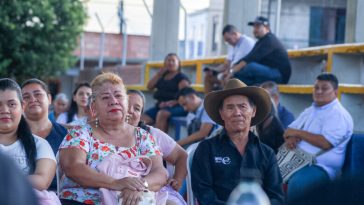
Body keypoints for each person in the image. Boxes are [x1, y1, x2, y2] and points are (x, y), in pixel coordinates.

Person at [58, 73, 167, 205]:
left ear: (126, 103)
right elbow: (73, 167)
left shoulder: (142, 136)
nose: (113, 101)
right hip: (83, 200)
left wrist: (140, 186)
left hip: (132, 199)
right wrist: (116, 183)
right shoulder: (80, 133)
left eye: (118, 95)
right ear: (93, 107)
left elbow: (160, 172)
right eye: (105, 97)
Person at [191, 78, 284, 205]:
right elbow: (204, 195)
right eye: (230, 107)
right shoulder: (206, 149)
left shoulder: (267, 153)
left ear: (253, 111)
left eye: (242, 106)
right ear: (222, 113)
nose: (237, 113)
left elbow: (276, 197)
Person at [284, 73, 353, 202]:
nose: (319, 91)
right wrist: (290, 139)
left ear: (336, 92)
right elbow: (288, 131)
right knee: (264, 173)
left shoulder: (338, 114)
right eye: (316, 87)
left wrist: (298, 133)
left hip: (320, 167)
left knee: (298, 185)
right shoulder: (310, 110)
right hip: (296, 160)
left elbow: (325, 143)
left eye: (325, 88)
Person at [127, 89, 187, 205]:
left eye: (137, 109)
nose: (130, 111)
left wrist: (178, 180)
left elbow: (182, 156)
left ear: (141, 115)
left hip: (157, 191)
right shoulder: (106, 135)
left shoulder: (152, 134)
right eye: (127, 105)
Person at [0, 78, 56, 192]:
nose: (5, 110)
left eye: (11, 104)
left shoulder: (40, 144)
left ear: (22, 107)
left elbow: (42, 181)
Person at [21, 78, 68, 190]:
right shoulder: (12, 135)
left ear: (49, 98)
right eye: (26, 97)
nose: (32, 99)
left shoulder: (66, 134)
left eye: (37, 94)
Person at [227, 16, 292, 86]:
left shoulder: (270, 40)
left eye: (257, 27)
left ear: (266, 27)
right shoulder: (260, 42)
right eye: (254, 27)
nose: (254, 30)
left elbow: (249, 59)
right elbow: (247, 57)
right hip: (269, 73)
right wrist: (232, 68)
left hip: (279, 76)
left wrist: (232, 72)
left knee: (250, 67)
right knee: (243, 76)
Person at [142, 53, 190, 132]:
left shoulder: (182, 78)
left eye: (173, 61)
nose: (170, 63)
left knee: (162, 114)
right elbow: (149, 87)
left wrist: (171, 103)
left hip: (177, 106)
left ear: (178, 64)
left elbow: (185, 96)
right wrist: (158, 74)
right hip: (160, 106)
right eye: (168, 60)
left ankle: (159, 143)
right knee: (141, 119)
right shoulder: (161, 76)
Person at [203, 24, 255, 93]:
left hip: (241, 73)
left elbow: (246, 62)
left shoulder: (248, 42)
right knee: (208, 77)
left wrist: (230, 72)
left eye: (228, 39)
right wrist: (214, 70)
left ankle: (226, 101)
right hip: (230, 72)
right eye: (226, 41)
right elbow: (226, 64)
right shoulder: (232, 45)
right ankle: (207, 102)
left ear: (234, 34)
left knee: (227, 79)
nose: (228, 42)